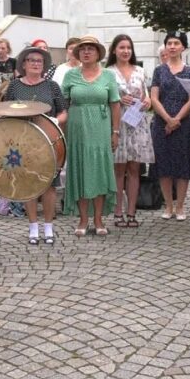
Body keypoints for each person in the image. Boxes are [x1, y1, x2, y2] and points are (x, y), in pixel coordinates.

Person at [2, 46, 67, 244]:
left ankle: (48, 227)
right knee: (28, 183)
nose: (36, 64)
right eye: (31, 60)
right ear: (23, 64)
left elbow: (63, 111)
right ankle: (33, 227)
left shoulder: (52, 86)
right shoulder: (14, 86)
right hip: (22, 141)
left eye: (39, 61)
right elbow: (5, 110)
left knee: (49, 184)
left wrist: (56, 121)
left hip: (48, 140)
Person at [62, 35, 121, 236]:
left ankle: (98, 219)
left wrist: (115, 132)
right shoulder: (70, 75)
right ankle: (83, 219)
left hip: (100, 129)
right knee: (80, 170)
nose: (86, 52)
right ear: (78, 53)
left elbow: (115, 104)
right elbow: (63, 104)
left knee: (99, 172)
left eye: (91, 48)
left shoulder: (108, 76)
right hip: (77, 130)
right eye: (83, 48)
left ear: (98, 53)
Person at [107, 34, 155, 228]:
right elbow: (104, 98)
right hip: (118, 123)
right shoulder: (107, 73)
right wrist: (118, 100)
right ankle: (118, 211)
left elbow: (147, 96)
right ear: (114, 50)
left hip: (137, 122)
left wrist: (147, 101)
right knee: (119, 169)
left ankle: (132, 212)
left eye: (129, 48)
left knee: (134, 169)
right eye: (122, 47)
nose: (126, 51)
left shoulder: (140, 71)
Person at [150, 31, 190, 220]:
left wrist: (176, 119)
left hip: (182, 124)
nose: (172, 46)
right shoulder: (159, 71)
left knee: (182, 165)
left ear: (183, 47)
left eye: (176, 43)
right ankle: (168, 205)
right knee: (164, 165)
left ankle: (180, 206)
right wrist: (168, 119)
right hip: (162, 123)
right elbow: (154, 98)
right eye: (169, 43)